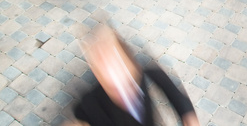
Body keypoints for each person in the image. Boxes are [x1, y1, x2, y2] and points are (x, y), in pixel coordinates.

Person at [66, 24, 200, 126]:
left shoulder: (145, 72)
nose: (110, 67)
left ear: (126, 55)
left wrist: (188, 115)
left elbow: (175, 94)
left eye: (113, 56)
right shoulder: (90, 104)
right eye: (100, 62)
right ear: (96, 71)